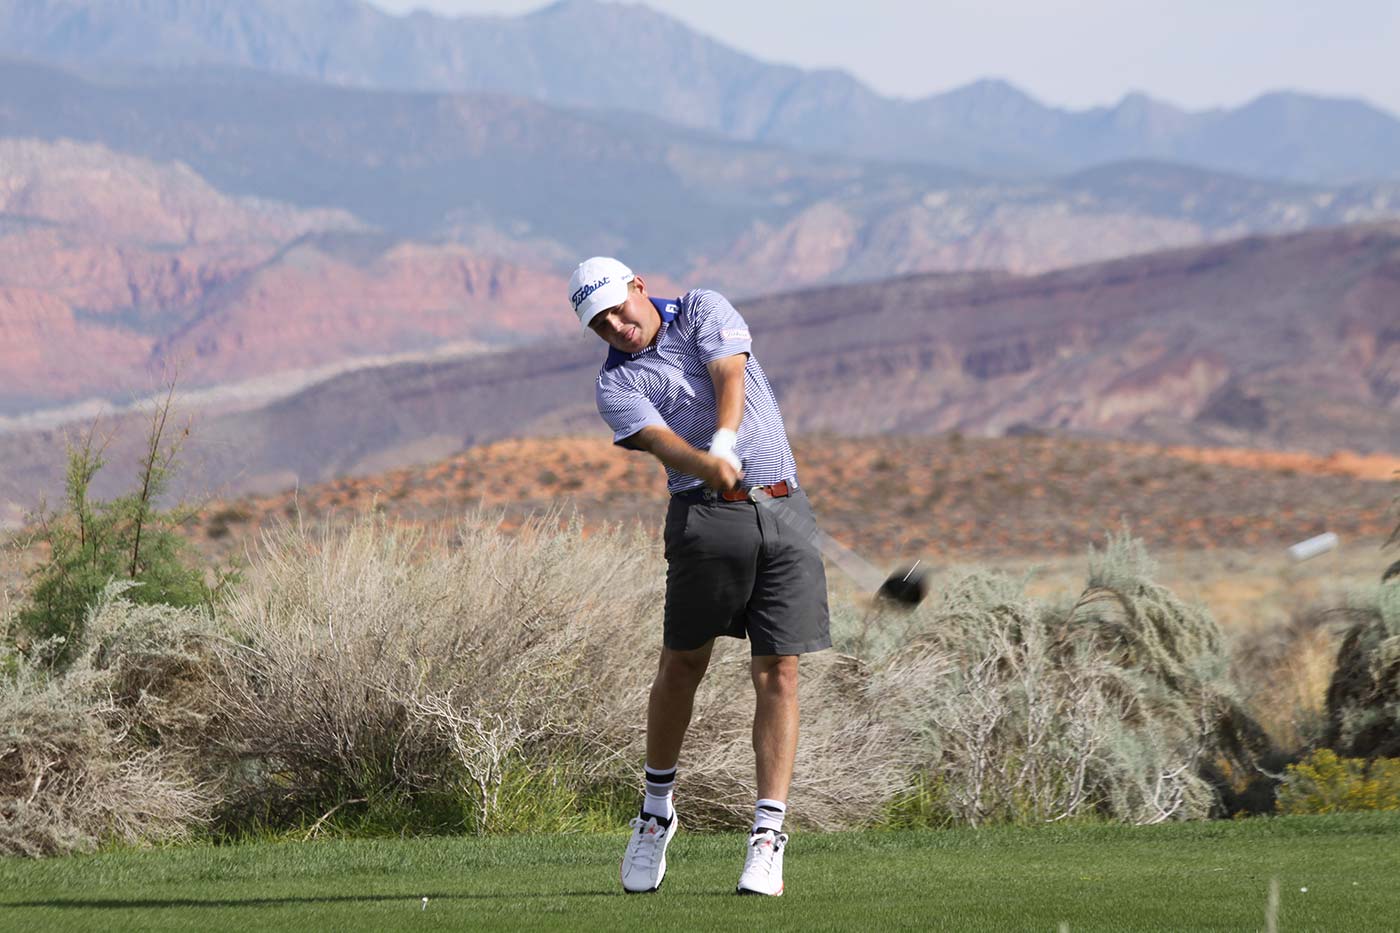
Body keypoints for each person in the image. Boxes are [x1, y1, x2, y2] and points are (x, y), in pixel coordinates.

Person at [567, 256, 831, 897]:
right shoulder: (615, 385)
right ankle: (656, 812)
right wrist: (706, 463)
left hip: (783, 505)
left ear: (638, 287)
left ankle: (767, 838)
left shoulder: (703, 308)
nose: (616, 327)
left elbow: (728, 371)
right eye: (600, 324)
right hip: (705, 522)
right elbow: (659, 444)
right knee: (683, 665)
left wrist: (726, 438)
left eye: (617, 309)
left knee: (780, 671)